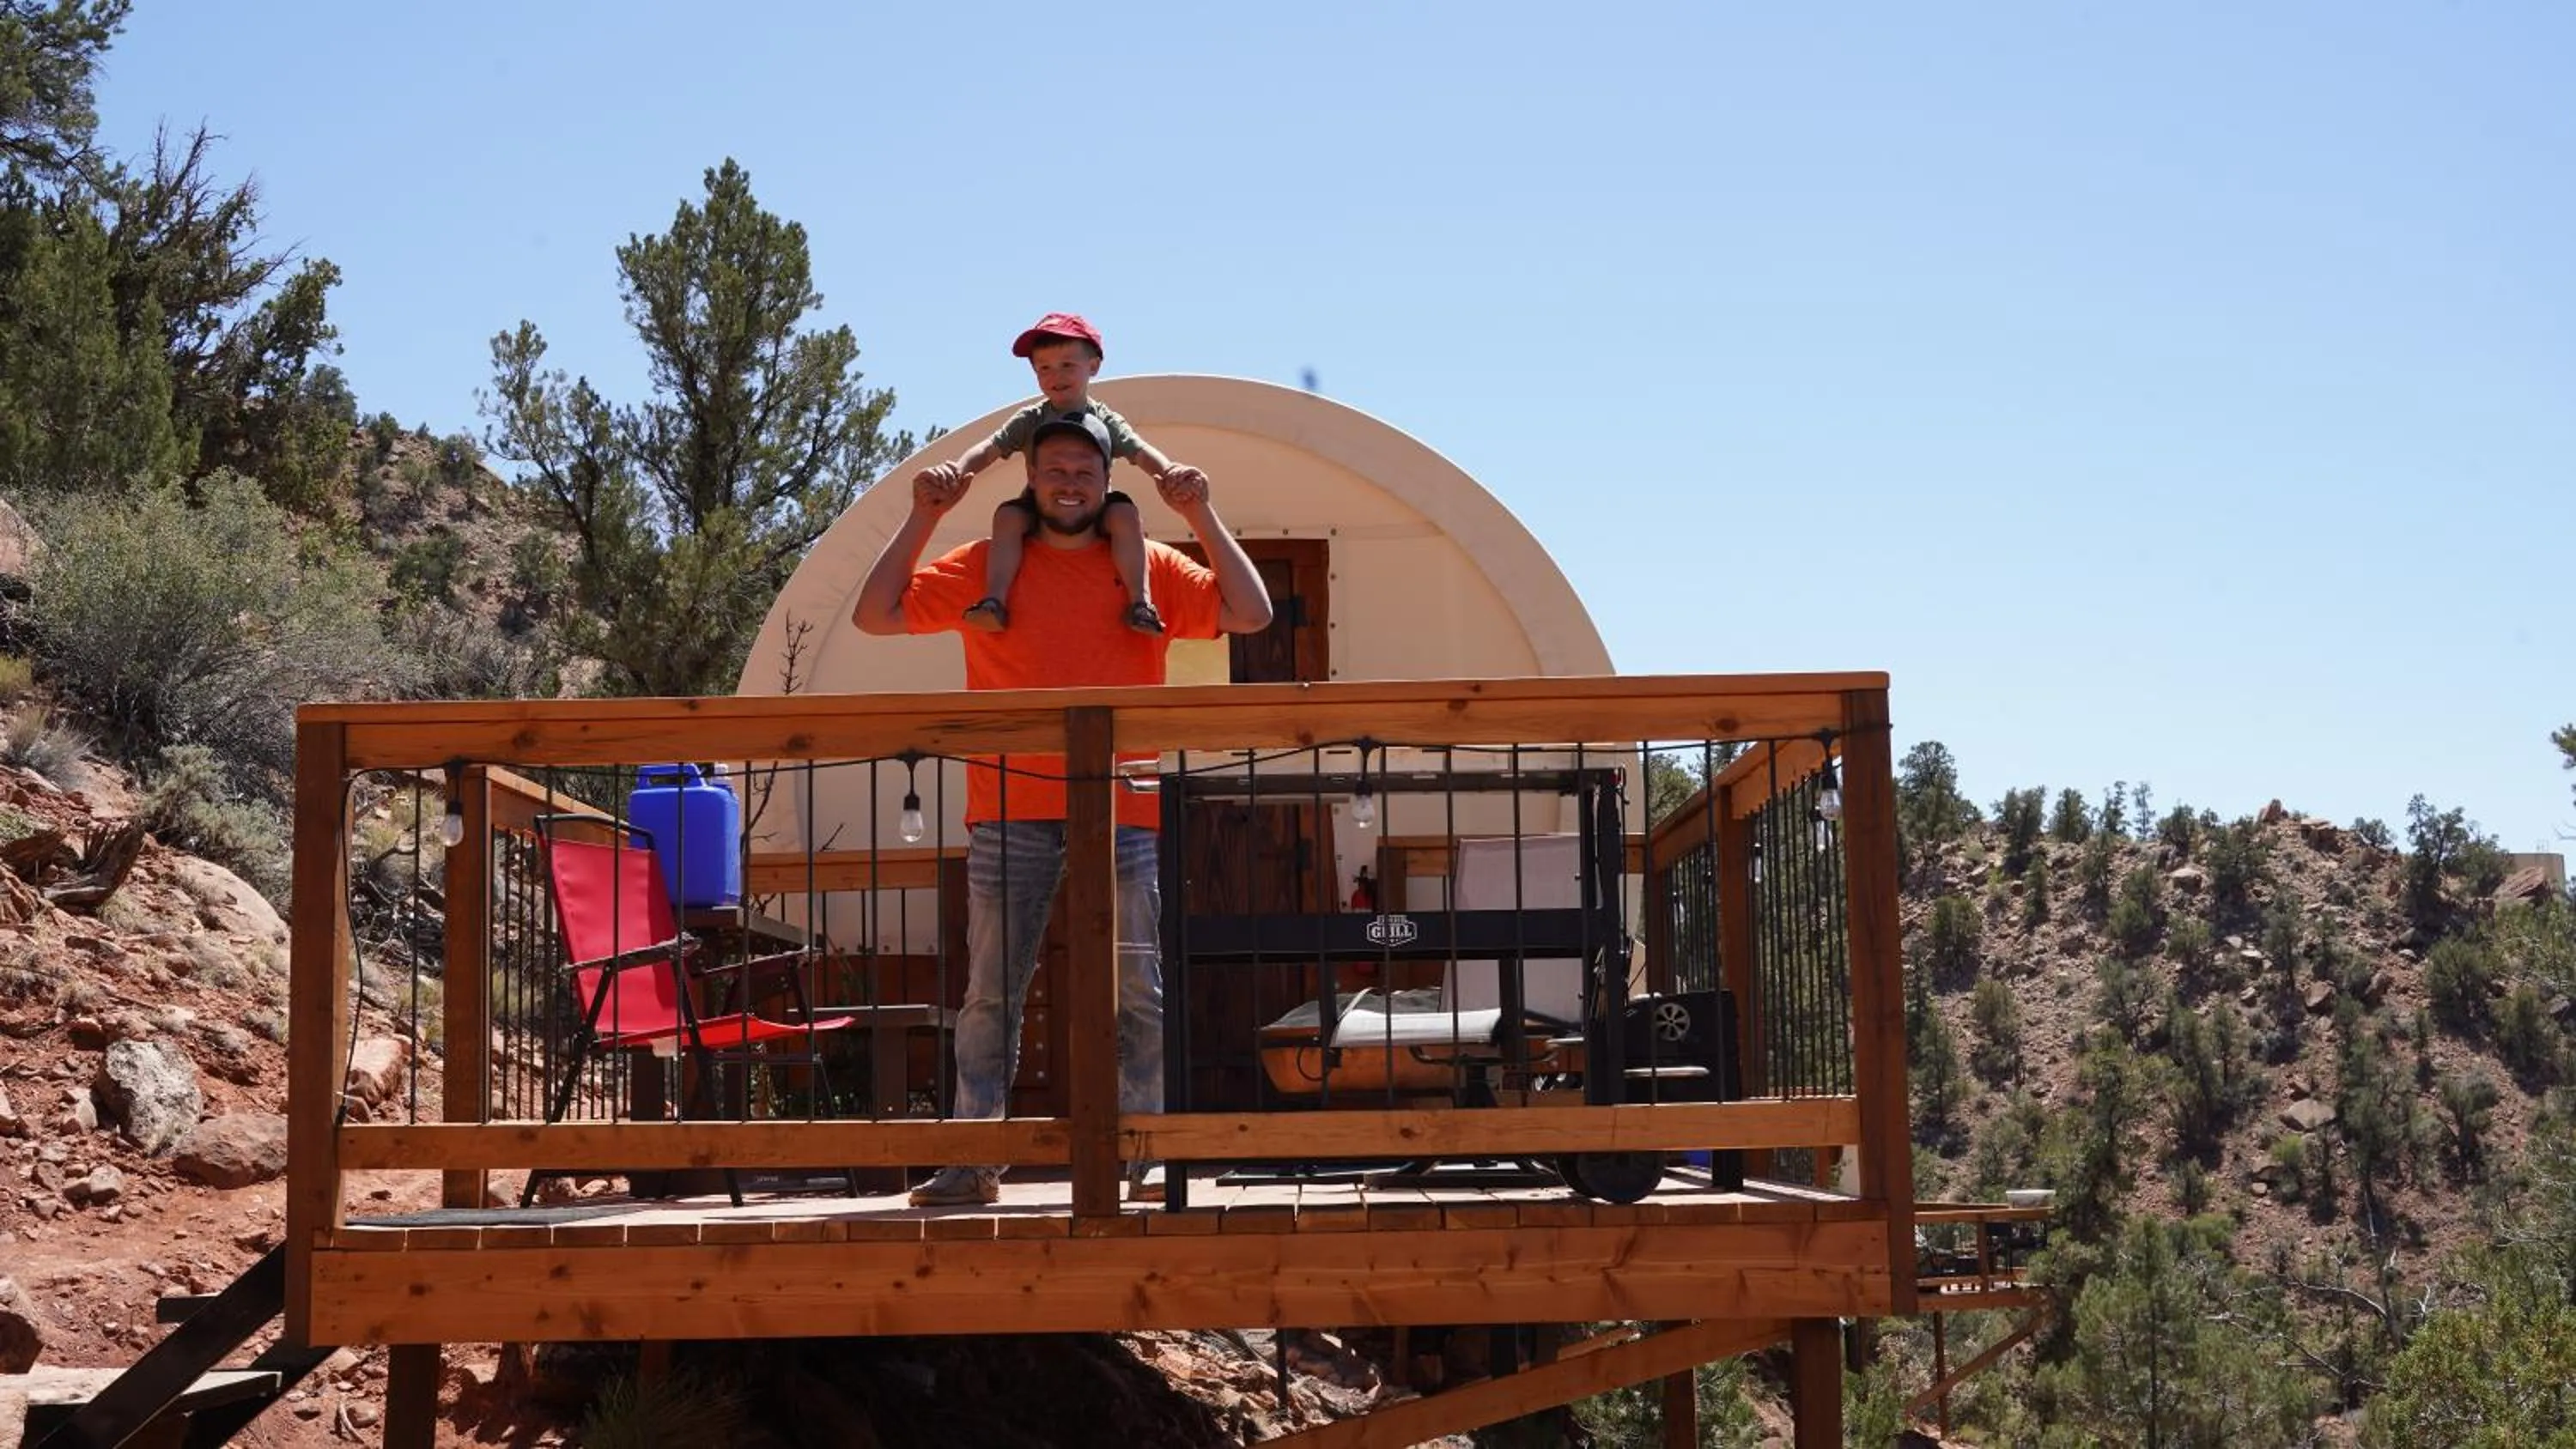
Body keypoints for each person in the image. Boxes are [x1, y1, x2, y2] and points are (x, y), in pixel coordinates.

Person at [854, 409, 1272, 1207]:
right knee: (992, 993)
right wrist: (923, 514)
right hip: (1008, 810)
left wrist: (1200, 513)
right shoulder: (987, 566)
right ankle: (975, 1164)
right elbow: (876, 614)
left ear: (1108, 483)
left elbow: (1250, 614)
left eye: (1085, 470)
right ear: (1032, 480)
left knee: (1137, 988)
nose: (1070, 482)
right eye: (1055, 470)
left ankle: (1144, 1159)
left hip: (1127, 812)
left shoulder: (1145, 564)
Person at [909, 312, 1209, 637]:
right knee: (1008, 518)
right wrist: (958, 469)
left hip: (1093, 506)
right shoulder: (1030, 418)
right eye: (1045, 368)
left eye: (1068, 365)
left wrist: (1168, 471)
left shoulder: (1104, 418)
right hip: (1042, 507)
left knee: (1125, 515)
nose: (1056, 375)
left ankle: (1140, 603)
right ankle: (994, 601)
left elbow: (1139, 452)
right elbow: (989, 449)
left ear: (1093, 366)